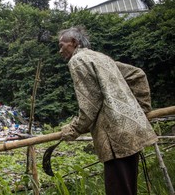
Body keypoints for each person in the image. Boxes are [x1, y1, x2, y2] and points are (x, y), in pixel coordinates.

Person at [57, 25, 158, 195]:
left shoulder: (77, 61)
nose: (60, 51)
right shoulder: (101, 57)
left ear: (73, 42)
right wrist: (140, 110)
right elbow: (137, 74)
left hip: (114, 136)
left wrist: (73, 129)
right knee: (128, 188)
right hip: (129, 130)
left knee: (118, 190)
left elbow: (90, 104)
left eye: (62, 45)